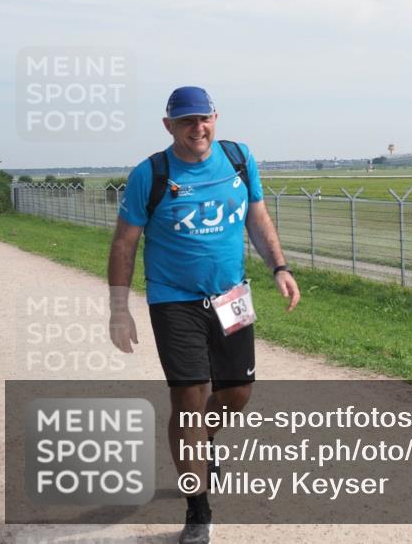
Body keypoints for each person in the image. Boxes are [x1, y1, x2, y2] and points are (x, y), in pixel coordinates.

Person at [107, 86, 300, 544]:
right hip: (173, 301)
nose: (198, 128)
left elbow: (257, 217)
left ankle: (198, 441)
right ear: (168, 125)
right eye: (187, 121)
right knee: (189, 400)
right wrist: (119, 308)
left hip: (231, 295)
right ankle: (198, 507)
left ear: (216, 118)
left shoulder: (238, 159)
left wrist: (279, 267)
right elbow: (124, 243)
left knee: (236, 395)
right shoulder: (149, 174)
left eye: (204, 118)